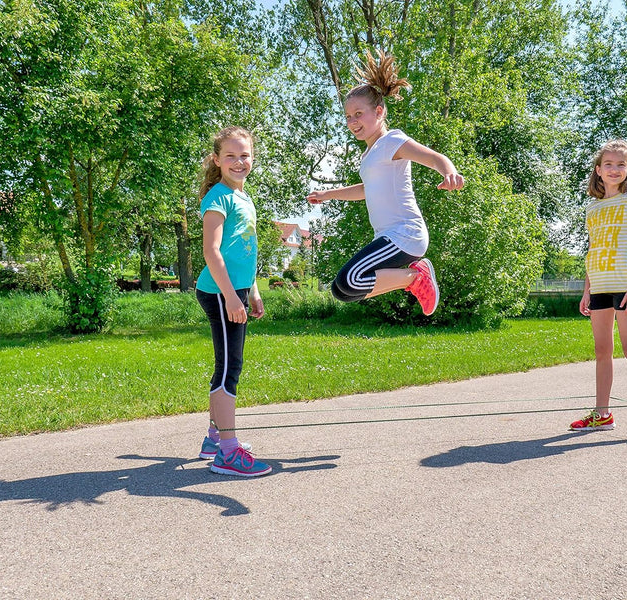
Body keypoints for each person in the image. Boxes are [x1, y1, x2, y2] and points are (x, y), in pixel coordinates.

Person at [307, 50, 464, 316]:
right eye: (348, 117)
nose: (352, 122)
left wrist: (448, 172)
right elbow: (366, 191)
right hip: (390, 237)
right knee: (342, 290)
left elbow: (435, 157)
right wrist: (328, 194)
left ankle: (415, 277)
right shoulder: (369, 155)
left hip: (405, 234)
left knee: (350, 279)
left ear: (379, 112)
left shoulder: (392, 141)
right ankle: (412, 279)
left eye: (358, 114)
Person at [195, 126, 272, 476]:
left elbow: (244, 252)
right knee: (230, 369)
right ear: (217, 160)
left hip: (237, 290)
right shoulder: (218, 197)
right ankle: (227, 452)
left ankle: (214, 438)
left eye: (245, 155)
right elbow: (211, 251)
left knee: (225, 365)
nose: (239, 161)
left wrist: (251, 291)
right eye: (231, 155)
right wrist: (230, 296)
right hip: (219, 291)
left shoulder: (245, 197)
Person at [569, 139, 627, 444]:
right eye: (608, 164)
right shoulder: (593, 207)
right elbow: (593, 249)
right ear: (598, 170)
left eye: (621, 164)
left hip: (623, 287)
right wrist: (586, 289)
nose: (615, 169)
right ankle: (602, 414)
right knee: (602, 351)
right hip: (599, 287)